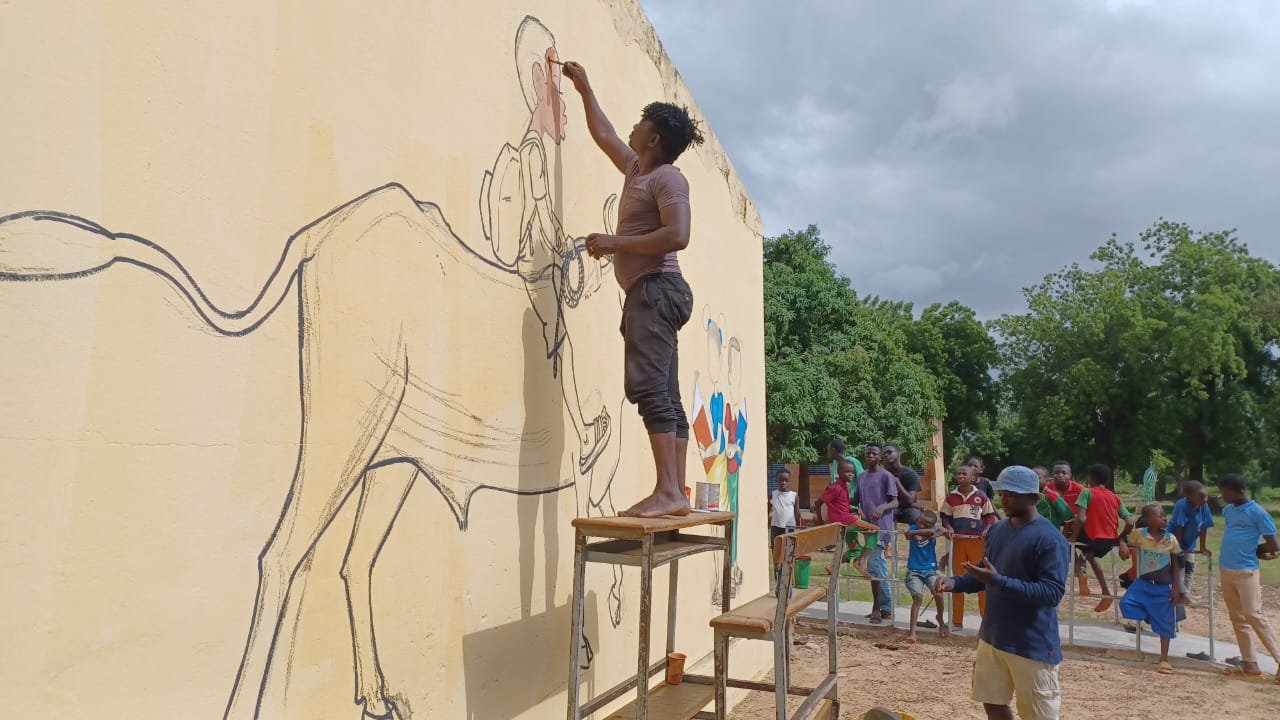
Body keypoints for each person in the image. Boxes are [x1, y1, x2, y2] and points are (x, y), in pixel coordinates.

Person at [562, 60, 704, 517]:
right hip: (655, 293)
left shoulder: (667, 178)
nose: (634, 127)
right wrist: (584, 88)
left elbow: (677, 234)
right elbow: (604, 134)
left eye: (642, 123)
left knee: (649, 389)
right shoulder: (636, 170)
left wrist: (615, 242)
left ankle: (668, 491)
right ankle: (675, 493)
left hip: (656, 290)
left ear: (654, 137)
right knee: (666, 393)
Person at [936, 466, 1070, 720]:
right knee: (993, 703)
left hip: (1031, 645)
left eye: (1012, 494)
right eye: (1002, 493)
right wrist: (956, 583)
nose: (1004, 499)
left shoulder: (1050, 539)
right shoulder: (997, 530)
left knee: (1037, 716)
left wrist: (998, 581)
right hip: (993, 638)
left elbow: (1051, 593)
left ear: (1032, 497)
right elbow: (986, 574)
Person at [1216, 473, 1280, 683]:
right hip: (1226, 569)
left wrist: (1258, 550)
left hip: (1246, 572)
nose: (1223, 496)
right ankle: (1250, 663)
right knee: (1237, 617)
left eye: (1226, 492)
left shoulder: (1257, 512)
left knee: (1253, 615)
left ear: (1239, 491)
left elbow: (1274, 544)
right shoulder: (1228, 510)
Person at [1119, 503, 1186, 675]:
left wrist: (1176, 589)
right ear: (1148, 520)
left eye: (1164, 515)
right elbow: (1124, 539)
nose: (1165, 518)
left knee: (1166, 625)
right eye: (1160, 516)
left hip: (1163, 587)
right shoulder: (1139, 534)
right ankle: (1151, 615)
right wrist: (1123, 545)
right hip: (1143, 583)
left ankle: (1164, 659)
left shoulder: (1170, 539)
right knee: (1125, 603)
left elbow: (1176, 565)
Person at [1068, 464, 1134, 611]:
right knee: (1090, 556)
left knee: (1066, 541)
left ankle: (1080, 570)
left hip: (1091, 537)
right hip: (1110, 541)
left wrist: (1073, 537)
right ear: (1107, 480)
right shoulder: (1115, 497)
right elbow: (1130, 522)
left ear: (1090, 478)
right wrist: (1121, 537)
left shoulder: (1087, 492)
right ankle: (1105, 592)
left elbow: (1081, 519)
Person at [940, 464, 997, 630]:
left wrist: (987, 529)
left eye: (964, 474)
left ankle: (986, 621)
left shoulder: (981, 496)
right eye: (958, 473)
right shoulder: (951, 497)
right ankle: (957, 621)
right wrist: (948, 528)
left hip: (977, 542)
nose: (960, 476)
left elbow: (990, 516)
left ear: (973, 478)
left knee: (981, 580)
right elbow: (945, 517)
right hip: (958, 541)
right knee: (956, 580)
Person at [853, 444, 898, 623]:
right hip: (867, 527)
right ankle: (884, 608)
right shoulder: (861, 476)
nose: (871, 456)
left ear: (880, 457)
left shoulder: (886, 476)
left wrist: (882, 507)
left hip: (882, 527)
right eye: (868, 453)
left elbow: (895, 502)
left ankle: (882, 608)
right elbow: (856, 500)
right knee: (875, 566)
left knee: (876, 567)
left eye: (874, 453)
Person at [1167, 480, 1214, 622]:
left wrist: (1202, 547)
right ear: (1189, 497)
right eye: (1201, 497)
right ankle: (1183, 594)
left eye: (1205, 496)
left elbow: (1204, 526)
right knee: (1180, 567)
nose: (1205, 499)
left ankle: (1185, 593)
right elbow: (1179, 527)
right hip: (1176, 540)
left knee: (1190, 568)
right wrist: (1178, 548)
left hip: (1190, 542)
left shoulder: (1203, 505)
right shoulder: (1182, 506)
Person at [904, 509, 949, 645]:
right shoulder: (914, 528)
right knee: (918, 597)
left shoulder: (930, 530)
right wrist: (935, 533)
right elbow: (918, 539)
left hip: (930, 570)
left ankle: (940, 619)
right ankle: (912, 631)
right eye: (920, 522)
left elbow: (936, 532)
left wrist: (939, 532)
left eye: (926, 524)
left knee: (939, 593)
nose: (921, 525)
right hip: (914, 571)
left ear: (932, 525)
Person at [885, 443, 922, 526]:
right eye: (884, 453)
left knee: (917, 516)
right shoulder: (883, 474)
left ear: (898, 453)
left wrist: (896, 481)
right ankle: (890, 535)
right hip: (889, 508)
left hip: (907, 509)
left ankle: (916, 535)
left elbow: (910, 500)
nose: (886, 455)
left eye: (889, 452)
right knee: (886, 515)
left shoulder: (910, 473)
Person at [769, 470, 800, 547]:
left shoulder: (794, 495)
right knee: (776, 547)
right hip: (776, 527)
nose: (783, 482)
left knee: (789, 548)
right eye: (781, 480)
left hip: (790, 527)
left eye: (786, 480)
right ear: (776, 480)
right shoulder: (773, 495)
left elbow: (797, 512)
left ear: (790, 481)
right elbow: (767, 510)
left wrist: (798, 526)